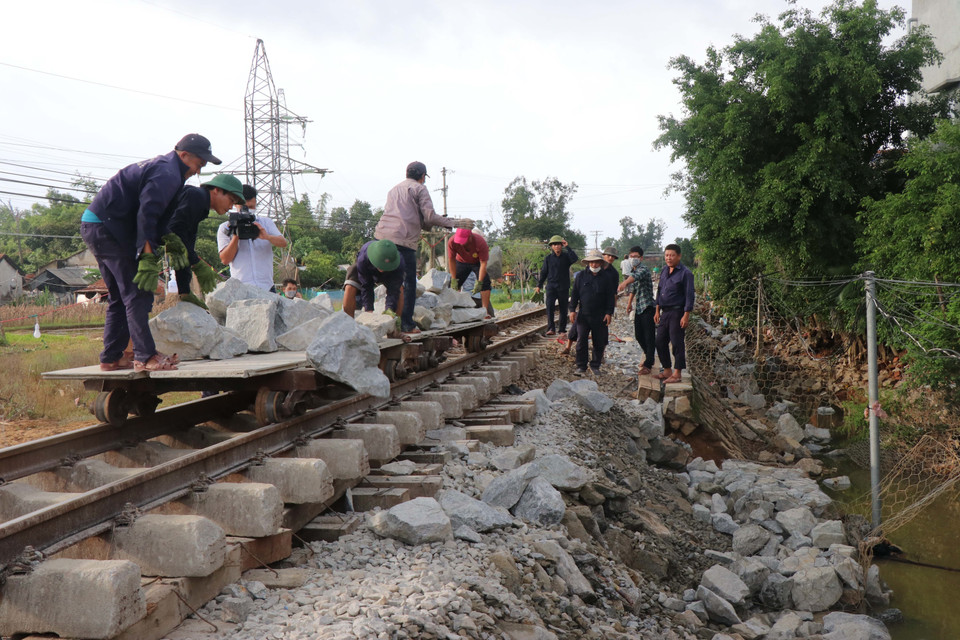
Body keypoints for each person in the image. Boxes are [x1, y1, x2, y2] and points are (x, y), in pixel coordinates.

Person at [80, 133, 221, 372]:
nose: (199, 171)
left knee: (119, 297)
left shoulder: (170, 172)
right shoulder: (167, 173)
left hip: (100, 225)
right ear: (184, 155)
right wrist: (146, 256)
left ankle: (112, 357)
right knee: (138, 292)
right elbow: (147, 214)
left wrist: (170, 239)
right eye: (199, 164)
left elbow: (159, 219)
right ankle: (145, 357)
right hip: (108, 228)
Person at [373, 161, 471, 334]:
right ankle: (406, 324)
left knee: (388, 280)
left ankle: (379, 319)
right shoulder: (420, 189)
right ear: (422, 176)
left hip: (381, 240)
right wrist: (455, 223)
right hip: (404, 240)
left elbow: (417, 218)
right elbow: (430, 216)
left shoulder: (393, 190)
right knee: (409, 282)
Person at [164, 174, 246, 307]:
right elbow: (174, 231)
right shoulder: (195, 196)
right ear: (217, 190)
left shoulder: (200, 207)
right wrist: (197, 263)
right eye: (231, 200)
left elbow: (185, 245)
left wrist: (185, 290)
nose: (231, 207)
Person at [217, 184, 288, 292]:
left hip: (266, 287)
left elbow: (283, 243)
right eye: (245, 207)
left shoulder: (266, 223)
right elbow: (225, 260)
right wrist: (236, 234)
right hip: (241, 288)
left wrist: (267, 237)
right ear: (236, 204)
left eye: (251, 207)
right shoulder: (225, 227)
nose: (248, 211)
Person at [568, 250, 616, 376]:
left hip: (600, 315)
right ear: (588, 263)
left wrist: (609, 313)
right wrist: (572, 310)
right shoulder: (581, 276)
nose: (594, 265)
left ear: (601, 263)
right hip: (584, 315)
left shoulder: (606, 278)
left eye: (596, 262)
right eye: (592, 262)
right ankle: (581, 366)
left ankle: (595, 365)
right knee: (581, 341)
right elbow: (574, 294)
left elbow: (610, 297)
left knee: (599, 342)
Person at [654, 243, 695, 384]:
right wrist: (657, 309)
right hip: (665, 312)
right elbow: (659, 290)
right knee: (660, 341)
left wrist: (686, 314)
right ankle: (667, 370)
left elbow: (689, 295)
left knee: (677, 342)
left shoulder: (686, 273)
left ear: (679, 256)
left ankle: (677, 373)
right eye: (666, 255)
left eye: (672, 255)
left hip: (678, 312)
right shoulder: (664, 271)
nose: (669, 258)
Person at [342, 239, 405, 318]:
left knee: (399, 288)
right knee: (350, 282)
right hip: (367, 268)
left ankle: (397, 323)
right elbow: (366, 285)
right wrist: (369, 311)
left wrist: (390, 312)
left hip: (390, 273)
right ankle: (349, 322)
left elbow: (393, 291)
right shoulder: (363, 257)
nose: (382, 270)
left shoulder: (399, 263)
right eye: (380, 265)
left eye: (384, 267)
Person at [618, 246, 656, 375]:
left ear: (641, 258)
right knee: (639, 335)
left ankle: (649, 363)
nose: (633, 259)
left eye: (636, 257)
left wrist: (623, 284)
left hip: (648, 306)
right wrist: (629, 304)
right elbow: (634, 289)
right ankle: (648, 355)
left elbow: (634, 279)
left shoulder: (643, 269)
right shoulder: (634, 271)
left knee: (649, 336)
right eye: (631, 256)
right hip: (639, 308)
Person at [535, 235, 578, 335]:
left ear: (561, 245)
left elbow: (575, 258)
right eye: (554, 244)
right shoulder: (548, 259)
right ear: (551, 246)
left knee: (563, 309)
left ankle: (562, 329)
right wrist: (539, 285)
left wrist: (568, 247)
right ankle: (551, 328)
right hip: (551, 287)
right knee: (550, 308)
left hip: (563, 287)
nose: (557, 246)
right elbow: (544, 272)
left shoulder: (566, 257)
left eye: (558, 244)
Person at [447, 228, 494, 317]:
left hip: (477, 262)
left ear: (470, 237)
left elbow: (483, 263)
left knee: (485, 282)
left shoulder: (480, 242)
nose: (461, 243)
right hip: (461, 261)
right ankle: (452, 310)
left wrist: (479, 282)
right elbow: (451, 260)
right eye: (459, 241)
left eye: (463, 241)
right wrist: (453, 278)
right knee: (452, 284)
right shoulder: (452, 242)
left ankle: (485, 311)